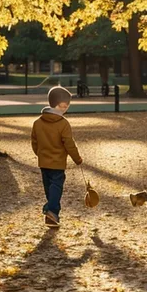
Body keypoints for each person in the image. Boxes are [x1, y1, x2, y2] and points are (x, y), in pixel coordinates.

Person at [31, 86, 83, 227]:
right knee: (56, 187)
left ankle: (51, 216)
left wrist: (41, 154)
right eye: (63, 106)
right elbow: (69, 144)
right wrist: (77, 159)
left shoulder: (37, 123)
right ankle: (52, 211)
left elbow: (34, 143)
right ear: (55, 104)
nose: (65, 109)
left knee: (49, 187)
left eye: (67, 107)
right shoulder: (63, 124)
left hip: (43, 161)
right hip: (58, 163)